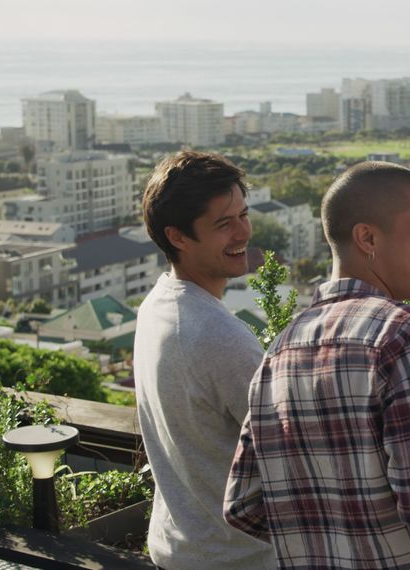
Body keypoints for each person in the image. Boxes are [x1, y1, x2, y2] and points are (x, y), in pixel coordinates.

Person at [225, 161, 410, 569]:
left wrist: (322, 540)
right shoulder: (406, 332)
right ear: (367, 237)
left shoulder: (281, 346)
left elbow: (242, 505)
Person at [134, 151, 277, 569]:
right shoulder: (218, 335)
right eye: (223, 223)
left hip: (179, 545)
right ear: (178, 236)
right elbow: (290, 451)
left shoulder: (156, 305)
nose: (243, 232)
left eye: (244, 215)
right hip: (234, 558)